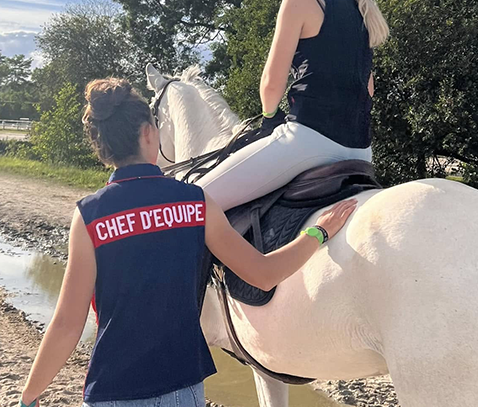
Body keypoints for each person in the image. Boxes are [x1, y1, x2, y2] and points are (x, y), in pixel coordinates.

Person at [18, 78, 356, 407]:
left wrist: (29, 396)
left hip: (113, 389)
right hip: (181, 389)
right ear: (148, 134)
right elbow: (264, 274)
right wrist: (318, 233)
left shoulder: (90, 216)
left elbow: (66, 324)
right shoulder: (196, 203)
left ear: (103, 149)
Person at [198, 0, 389, 211]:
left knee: (193, 203)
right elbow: (368, 89)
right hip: (360, 151)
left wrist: (270, 119)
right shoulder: (358, 4)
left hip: (308, 140)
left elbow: (272, 83)